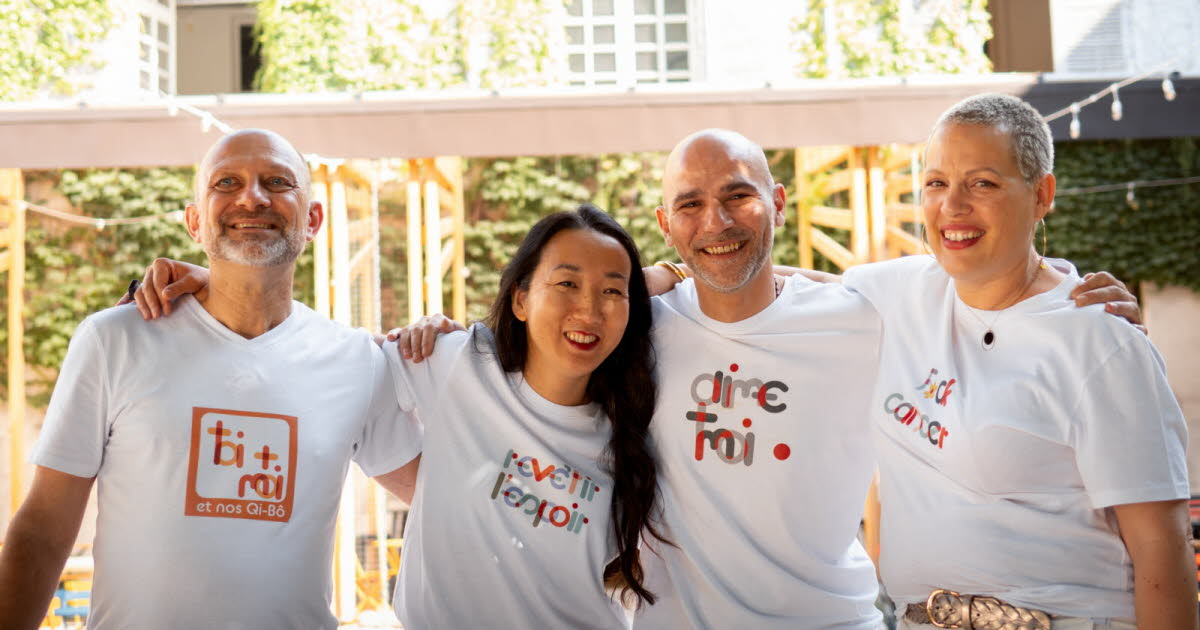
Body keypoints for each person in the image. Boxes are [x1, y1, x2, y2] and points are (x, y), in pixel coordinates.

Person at [137, 128, 1145, 629]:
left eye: (739, 196)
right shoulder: (557, 347)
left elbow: (973, 274)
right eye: (693, 205)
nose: (720, 220)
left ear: (777, 201)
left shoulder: (860, 308)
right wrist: (211, 287)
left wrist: (1063, 289)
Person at [124, 204, 666, 629]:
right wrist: (224, 287)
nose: (589, 310)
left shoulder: (645, 418)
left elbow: (697, 285)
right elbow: (313, 358)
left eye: (612, 292)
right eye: (566, 284)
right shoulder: (456, 363)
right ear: (521, 298)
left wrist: (664, 272)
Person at [0, 129, 422, 630]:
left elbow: (447, 500)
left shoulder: (356, 360)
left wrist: (460, 356)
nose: (252, 197)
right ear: (195, 223)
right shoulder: (114, 341)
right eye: (227, 182)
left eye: (277, 181)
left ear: (312, 220)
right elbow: (45, 527)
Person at [838, 94, 1195, 629]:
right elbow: (776, 292)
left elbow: (1160, 551)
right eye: (936, 183)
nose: (952, 206)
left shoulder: (1100, 341)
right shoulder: (891, 296)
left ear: (1042, 194)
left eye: (982, 182)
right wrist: (670, 279)